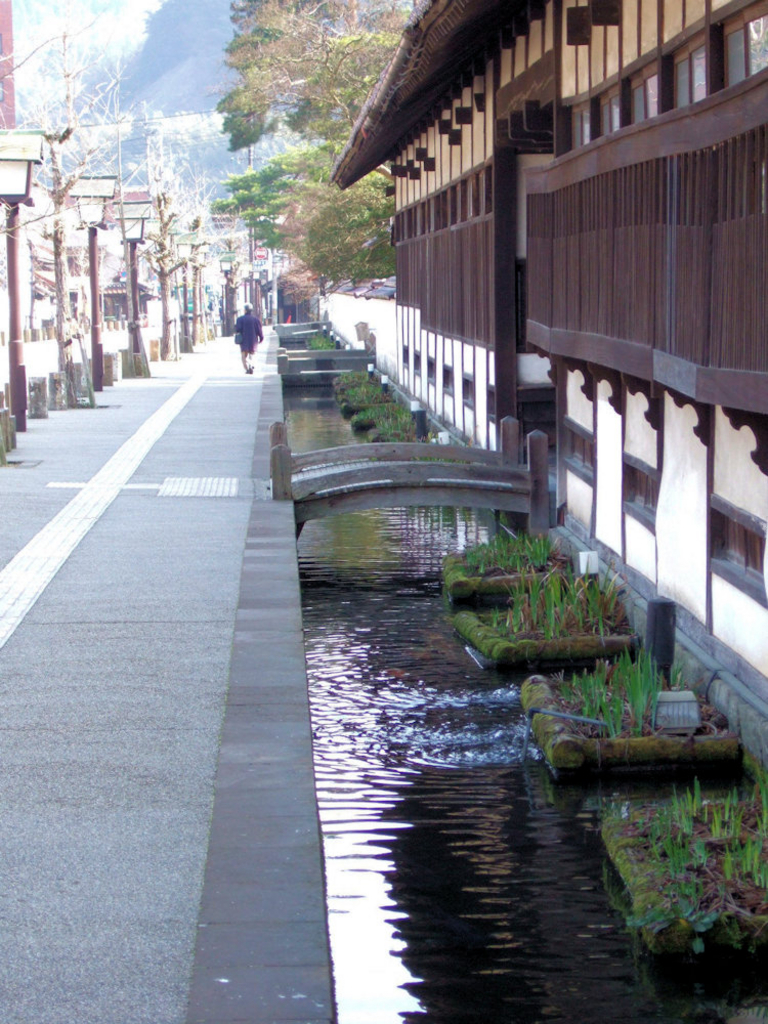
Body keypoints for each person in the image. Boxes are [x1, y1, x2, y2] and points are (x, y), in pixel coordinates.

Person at [234, 303, 264, 374]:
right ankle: (251, 365)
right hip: (253, 340)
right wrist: (261, 338)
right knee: (252, 354)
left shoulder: (240, 319)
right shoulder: (256, 320)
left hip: (244, 340)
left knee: (244, 355)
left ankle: (247, 368)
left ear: (245, 310)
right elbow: (259, 330)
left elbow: (238, 329)